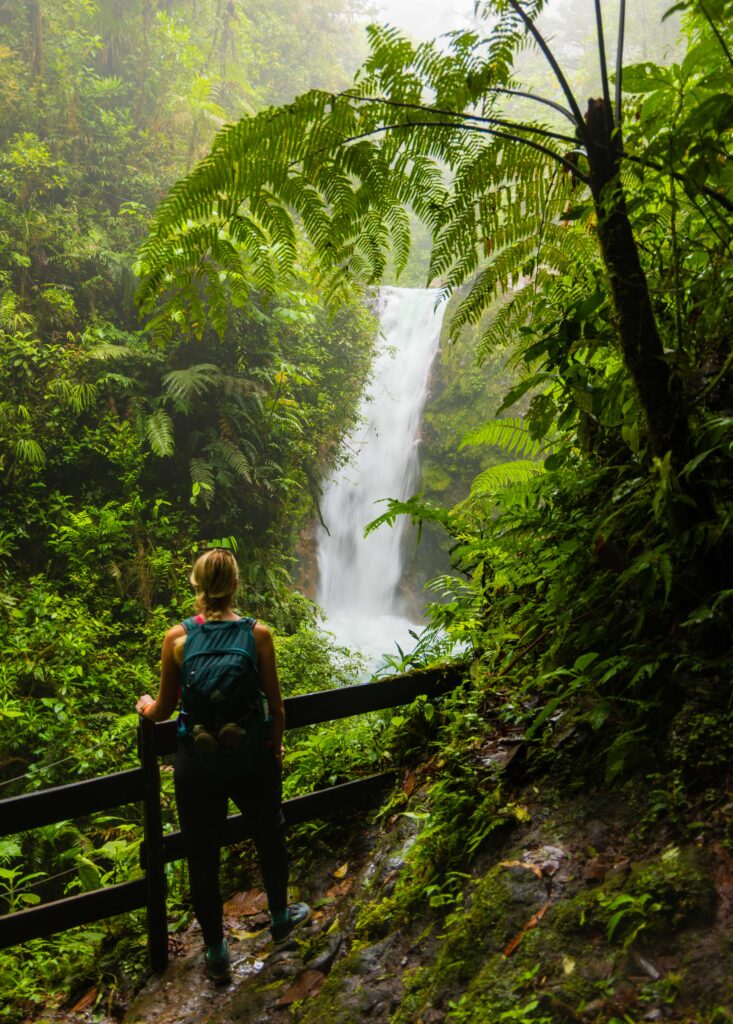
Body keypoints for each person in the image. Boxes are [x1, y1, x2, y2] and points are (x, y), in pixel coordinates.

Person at [135, 548, 310, 983]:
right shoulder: (258, 635)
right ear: (234, 585)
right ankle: (282, 919)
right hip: (251, 754)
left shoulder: (177, 639)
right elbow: (276, 704)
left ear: (196, 586)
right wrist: (276, 745)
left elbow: (163, 709)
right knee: (270, 833)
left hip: (197, 761)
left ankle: (216, 952)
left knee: (201, 855)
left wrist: (145, 706)